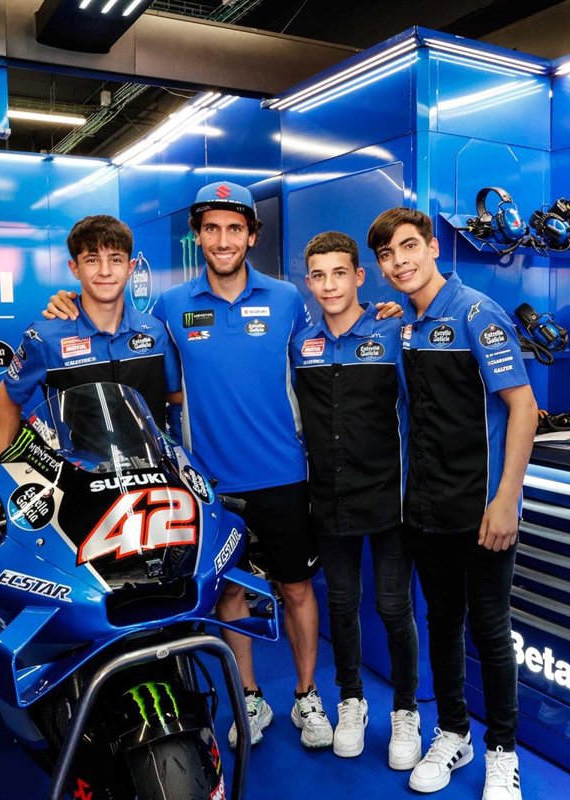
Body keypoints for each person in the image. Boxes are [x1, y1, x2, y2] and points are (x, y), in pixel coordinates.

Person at [44, 183, 395, 750]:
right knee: (230, 593)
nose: (223, 239)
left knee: (296, 589)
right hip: (209, 484)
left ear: (252, 236)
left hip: (284, 475)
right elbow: (155, 375)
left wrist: (380, 315)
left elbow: (328, 344)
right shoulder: (168, 308)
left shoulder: (287, 299)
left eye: (235, 228)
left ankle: (306, 695)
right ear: (198, 236)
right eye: (211, 228)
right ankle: (250, 698)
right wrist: (66, 301)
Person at [367, 208, 538, 800]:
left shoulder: (476, 314)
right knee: (442, 624)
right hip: (425, 509)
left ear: (433, 247)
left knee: (490, 630)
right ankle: (455, 732)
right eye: (387, 255)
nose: (400, 262)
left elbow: (523, 407)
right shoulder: (407, 325)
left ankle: (503, 752)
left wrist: (506, 501)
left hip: (483, 511)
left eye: (409, 247)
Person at [289, 231, 420, 767]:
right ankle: (351, 701)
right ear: (308, 281)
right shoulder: (300, 342)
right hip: (330, 499)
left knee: (393, 607)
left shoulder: (393, 331)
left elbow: (419, 410)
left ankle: (406, 710)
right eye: (318, 275)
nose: (329, 285)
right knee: (342, 606)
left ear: (359, 276)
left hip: (391, 500)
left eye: (340, 273)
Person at [0, 215, 180, 517]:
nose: (105, 271)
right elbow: (9, 395)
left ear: (131, 267)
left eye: (116, 259)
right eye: (92, 260)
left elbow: (175, 396)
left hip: (154, 482)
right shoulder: (45, 337)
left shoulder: (155, 332)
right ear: (74, 268)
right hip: (80, 486)